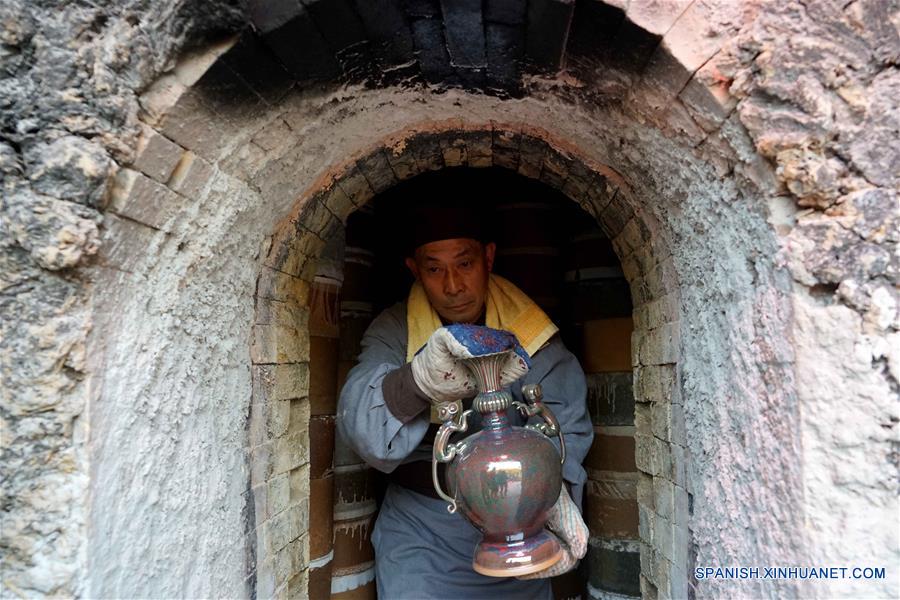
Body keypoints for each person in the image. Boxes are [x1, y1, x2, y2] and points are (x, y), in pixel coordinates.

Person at [337, 176, 593, 599]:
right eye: (434, 268)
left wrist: (557, 496)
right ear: (413, 270)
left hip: (518, 527)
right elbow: (361, 430)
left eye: (465, 264)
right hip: (423, 534)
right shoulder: (394, 329)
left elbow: (569, 423)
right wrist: (418, 380)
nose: (453, 285)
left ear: (489, 258)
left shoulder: (529, 331)